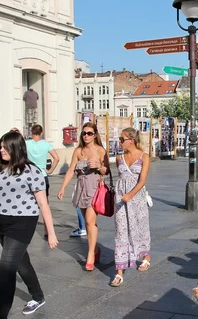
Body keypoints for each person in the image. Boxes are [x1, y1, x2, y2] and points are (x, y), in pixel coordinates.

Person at [0, 131, 58, 319]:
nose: (1, 150)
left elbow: (43, 204)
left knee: (7, 268)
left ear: (17, 148)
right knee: (21, 263)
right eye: (0, 147)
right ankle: (38, 296)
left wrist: (51, 232)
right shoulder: (0, 171)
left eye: (5, 147)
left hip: (22, 224)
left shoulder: (32, 172)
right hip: (1, 224)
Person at [57, 122, 110, 271]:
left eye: (89, 133)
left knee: (89, 221)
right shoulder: (78, 151)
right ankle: (95, 250)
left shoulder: (100, 150)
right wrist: (63, 187)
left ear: (95, 135)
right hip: (81, 188)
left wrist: (99, 167)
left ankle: (91, 255)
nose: (86, 136)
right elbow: (70, 171)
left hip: (94, 188)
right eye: (84, 133)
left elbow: (107, 171)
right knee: (87, 224)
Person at [110, 128, 151, 287]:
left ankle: (145, 256)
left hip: (137, 199)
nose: (120, 142)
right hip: (120, 199)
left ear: (131, 140)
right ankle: (119, 271)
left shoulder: (144, 157)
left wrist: (131, 195)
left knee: (140, 228)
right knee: (120, 232)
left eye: (122, 139)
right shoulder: (119, 158)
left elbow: (142, 181)